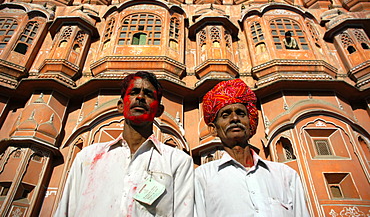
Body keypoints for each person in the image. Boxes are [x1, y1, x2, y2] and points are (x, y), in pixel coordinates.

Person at [55, 71, 194, 217]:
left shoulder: (177, 162)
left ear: (159, 110)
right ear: (121, 106)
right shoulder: (87, 158)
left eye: (148, 94)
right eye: (134, 92)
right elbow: (65, 210)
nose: (140, 97)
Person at [194, 79, 310, 217]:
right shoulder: (202, 177)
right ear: (214, 129)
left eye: (241, 113)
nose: (235, 118)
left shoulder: (285, 175)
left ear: (251, 123)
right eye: (225, 115)